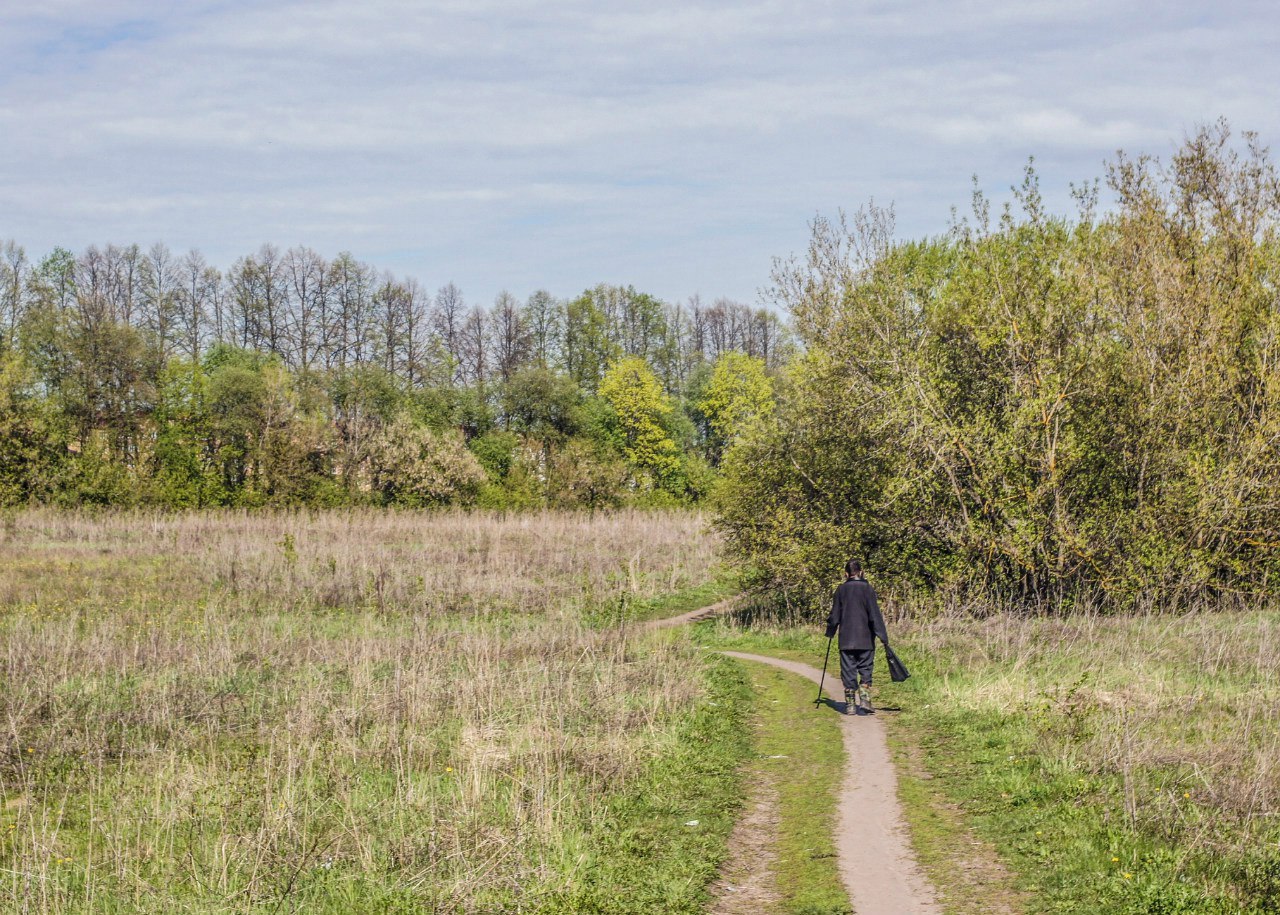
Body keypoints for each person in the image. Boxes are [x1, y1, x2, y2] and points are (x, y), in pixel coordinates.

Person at [825, 559, 889, 716]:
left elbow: (835, 616)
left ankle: (850, 705)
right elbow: (874, 614)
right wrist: (882, 635)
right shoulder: (868, 589)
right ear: (861, 572)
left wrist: (830, 631)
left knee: (848, 671)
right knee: (866, 668)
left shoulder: (841, 590)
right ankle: (865, 700)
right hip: (866, 639)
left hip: (846, 639)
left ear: (846, 574)